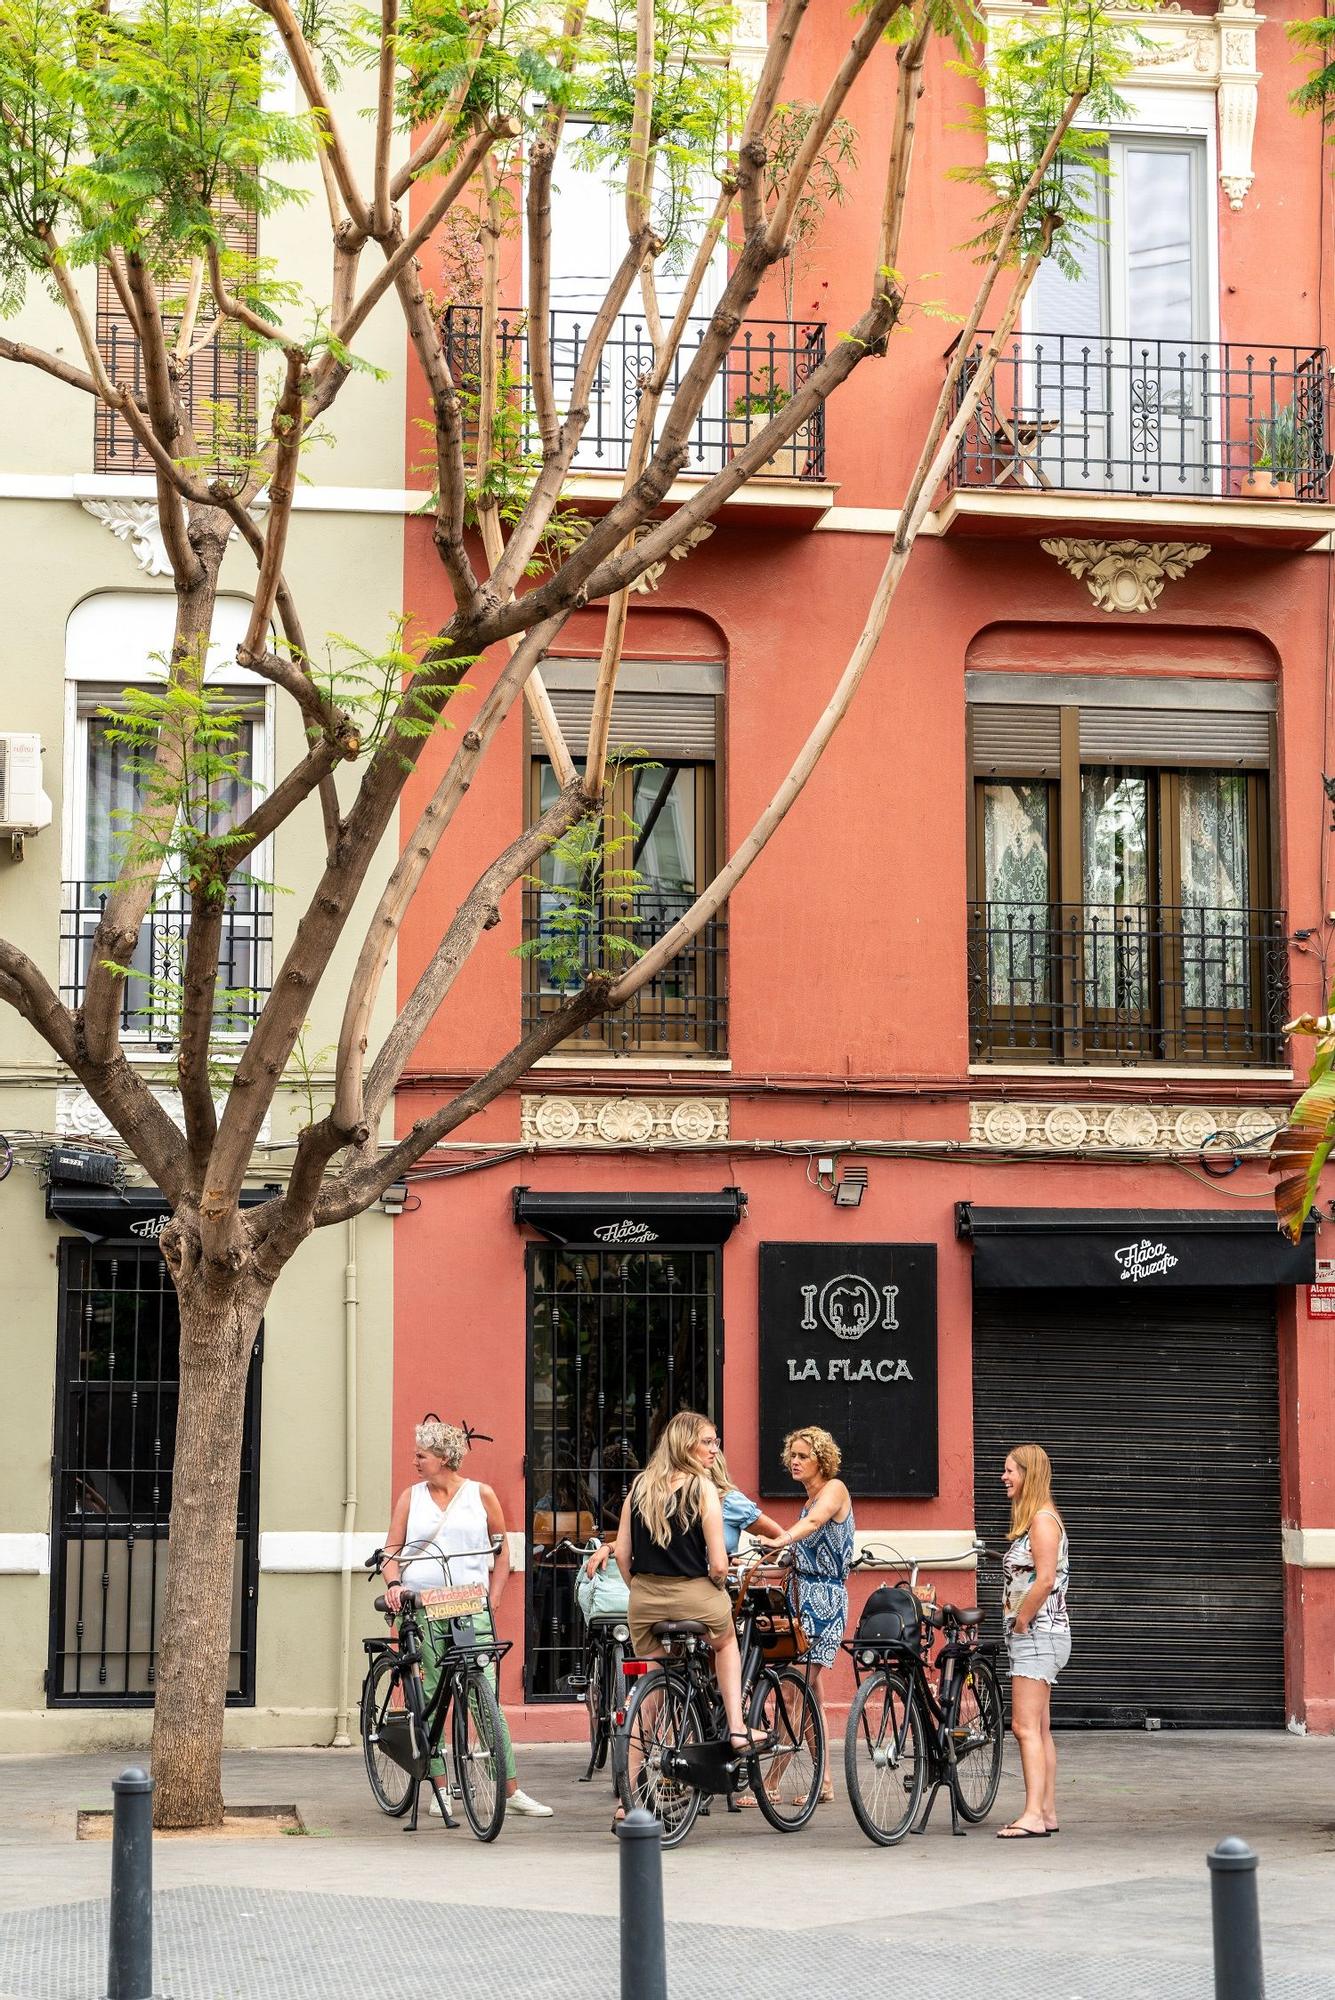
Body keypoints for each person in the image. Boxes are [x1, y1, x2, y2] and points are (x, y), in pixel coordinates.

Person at [381, 1418, 553, 1818]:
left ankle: (509, 1791)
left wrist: (492, 1601)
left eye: (421, 1455)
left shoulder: (481, 1495)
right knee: (431, 1698)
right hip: (424, 1606)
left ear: (443, 1458)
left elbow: (502, 1552)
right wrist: (393, 1583)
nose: (414, 1461)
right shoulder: (412, 1497)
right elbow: (392, 1547)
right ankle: (439, 1789)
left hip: (468, 1606)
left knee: (484, 1698)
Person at [611, 1409, 767, 1821]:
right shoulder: (702, 1488)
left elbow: (623, 1555)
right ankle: (736, 1727)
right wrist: (716, 1583)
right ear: (686, 1445)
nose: (715, 1449)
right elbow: (717, 1563)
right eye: (708, 1441)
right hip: (696, 1595)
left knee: (648, 1694)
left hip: (643, 1602)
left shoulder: (640, 1486)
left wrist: (642, 1592)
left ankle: (624, 1801)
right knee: (727, 1642)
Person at [758, 1425, 853, 1804]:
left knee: (792, 1690)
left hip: (826, 1604)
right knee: (809, 1693)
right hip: (801, 1600)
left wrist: (780, 1538)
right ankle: (825, 1782)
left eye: (803, 1456)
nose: (794, 1462)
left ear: (821, 1460)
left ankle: (772, 1780)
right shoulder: (807, 1501)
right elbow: (797, 1558)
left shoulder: (834, 1490)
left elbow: (813, 1526)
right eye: (792, 1456)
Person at [583, 1427, 780, 1587]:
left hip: (722, 1588)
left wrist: (752, 1568)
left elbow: (778, 1540)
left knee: (727, 1636)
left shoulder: (729, 1501)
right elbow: (661, 1536)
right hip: (686, 1590)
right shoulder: (678, 1499)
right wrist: (609, 1547)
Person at [997, 1442, 1070, 1840]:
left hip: (1039, 1633)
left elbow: (1043, 1580)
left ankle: (1032, 1815)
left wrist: (1021, 1621)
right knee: (1040, 1728)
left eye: (1010, 1471)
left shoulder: (1042, 1521)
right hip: (1044, 1635)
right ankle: (1047, 1810)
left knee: (1023, 1727)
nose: (1004, 1477)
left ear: (1029, 1474)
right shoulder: (1040, 1519)